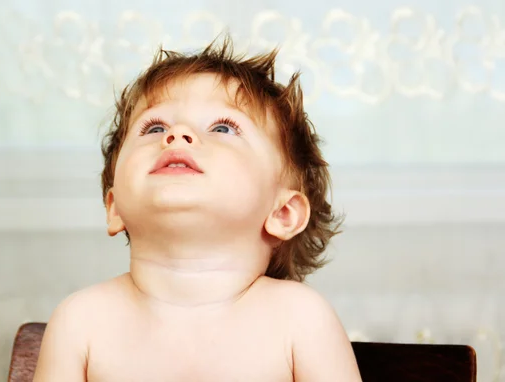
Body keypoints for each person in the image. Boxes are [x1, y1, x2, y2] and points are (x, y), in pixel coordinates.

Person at [33, 36, 362, 381]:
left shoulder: (300, 319)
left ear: (283, 213)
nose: (178, 134)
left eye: (222, 127)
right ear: (114, 207)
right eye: (155, 126)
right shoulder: (81, 322)